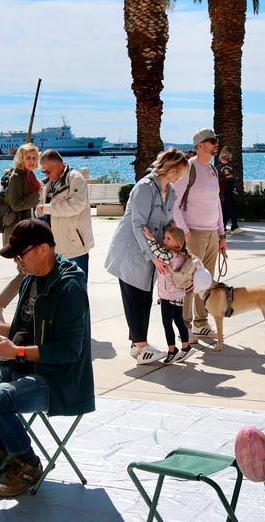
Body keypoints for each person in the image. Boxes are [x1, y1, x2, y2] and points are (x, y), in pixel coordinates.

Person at [0, 219, 93, 498]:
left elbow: (70, 350)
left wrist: (18, 352)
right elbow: (27, 327)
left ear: (43, 249)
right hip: (19, 368)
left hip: (55, 381)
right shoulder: (31, 278)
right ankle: (0, 449)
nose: (17, 261)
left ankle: (28, 465)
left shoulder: (69, 288)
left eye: (21, 254)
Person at [105, 147, 189, 364]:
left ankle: (137, 345)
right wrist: (153, 257)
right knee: (135, 298)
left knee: (144, 298)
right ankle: (142, 348)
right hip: (131, 252)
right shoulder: (144, 188)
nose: (180, 177)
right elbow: (138, 224)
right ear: (170, 168)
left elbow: (166, 222)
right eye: (179, 172)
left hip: (152, 251)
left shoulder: (170, 191)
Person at [172, 128, 223, 341]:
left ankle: (201, 323)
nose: (216, 144)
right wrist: (185, 231)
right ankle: (185, 327)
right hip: (194, 234)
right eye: (212, 141)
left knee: (206, 281)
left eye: (216, 140)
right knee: (189, 281)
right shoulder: (188, 169)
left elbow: (217, 203)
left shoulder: (212, 170)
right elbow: (173, 203)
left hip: (212, 234)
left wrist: (222, 234)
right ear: (200, 145)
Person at [0, 144, 42, 323]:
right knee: (26, 272)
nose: (31, 161)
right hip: (18, 232)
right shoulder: (17, 176)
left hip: (25, 231)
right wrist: (37, 197)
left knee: (29, 272)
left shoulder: (28, 176)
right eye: (28, 157)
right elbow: (16, 204)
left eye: (34, 157)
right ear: (21, 159)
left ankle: (23, 312)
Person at [142, 225, 198, 364]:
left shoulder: (170, 256)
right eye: (164, 238)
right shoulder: (182, 255)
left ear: (177, 243)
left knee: (167, 324)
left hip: (168, 295)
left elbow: (157, 253)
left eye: (168, 238)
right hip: (179, 294)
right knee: (179, 321)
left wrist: (150, 238)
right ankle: (185, 346)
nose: (164, 240)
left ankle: (172, 350)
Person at [36, 150, 93, 282]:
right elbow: (40, 207)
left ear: (59, 165)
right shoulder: (47, 183)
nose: (46, 174)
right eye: (44, 171)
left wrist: (47, 209)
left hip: (74, 245)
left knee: (77, 287)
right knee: (59, 288)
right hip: (55, 246)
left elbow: (75, 206)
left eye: (48, 171)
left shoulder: (75, 178)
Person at [216, 147, 241, 235]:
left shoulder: (219, 165)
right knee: (231, 206)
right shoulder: (230, 165)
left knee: (226, 207)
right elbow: (234, 175)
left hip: (223, 187)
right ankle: (234, 226)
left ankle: (223, 226)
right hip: (228, 186)